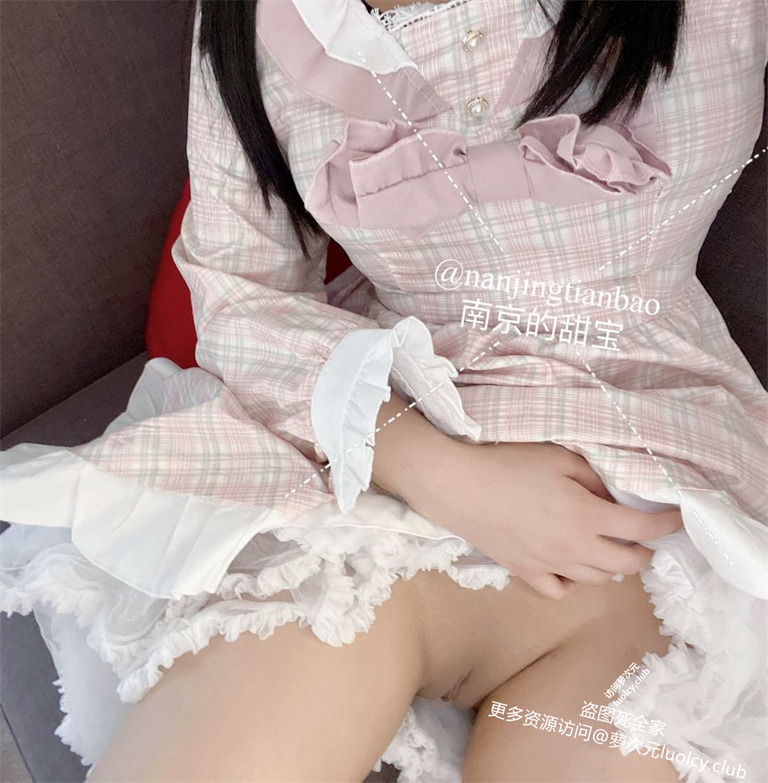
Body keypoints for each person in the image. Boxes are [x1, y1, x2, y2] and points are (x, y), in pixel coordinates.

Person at [1, 0, 766, 781]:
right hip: (370, 502)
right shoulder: (260, 19)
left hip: (655, 534)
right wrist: (436, 469)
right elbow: (238, 292)